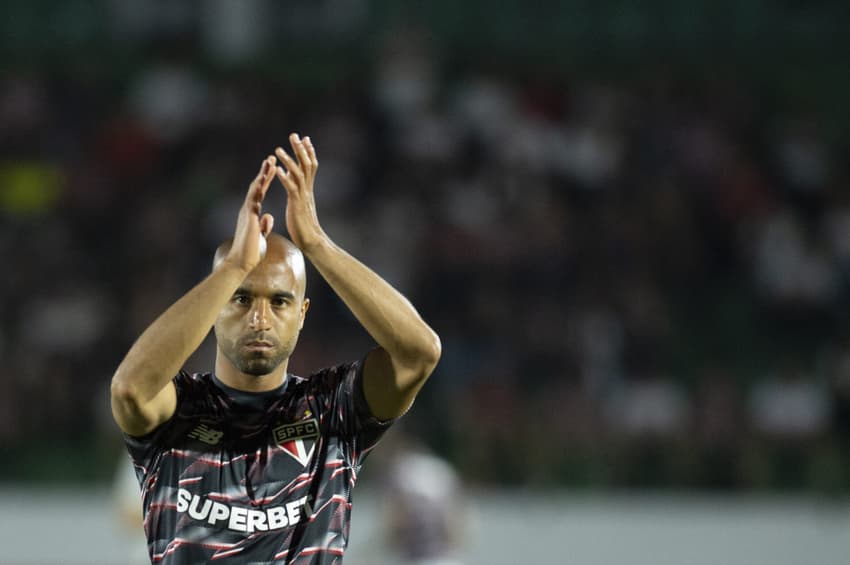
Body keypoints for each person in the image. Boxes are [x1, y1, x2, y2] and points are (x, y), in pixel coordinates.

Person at [110, 133, 442, 564]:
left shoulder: (331, 411)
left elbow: (420, 352)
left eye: (279, 301)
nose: (260, 318)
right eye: (242, 298)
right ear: (214, 308)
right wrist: (231, 268)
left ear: (302, 313)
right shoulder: (178, 412)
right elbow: (128, 390)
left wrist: (318, 243)